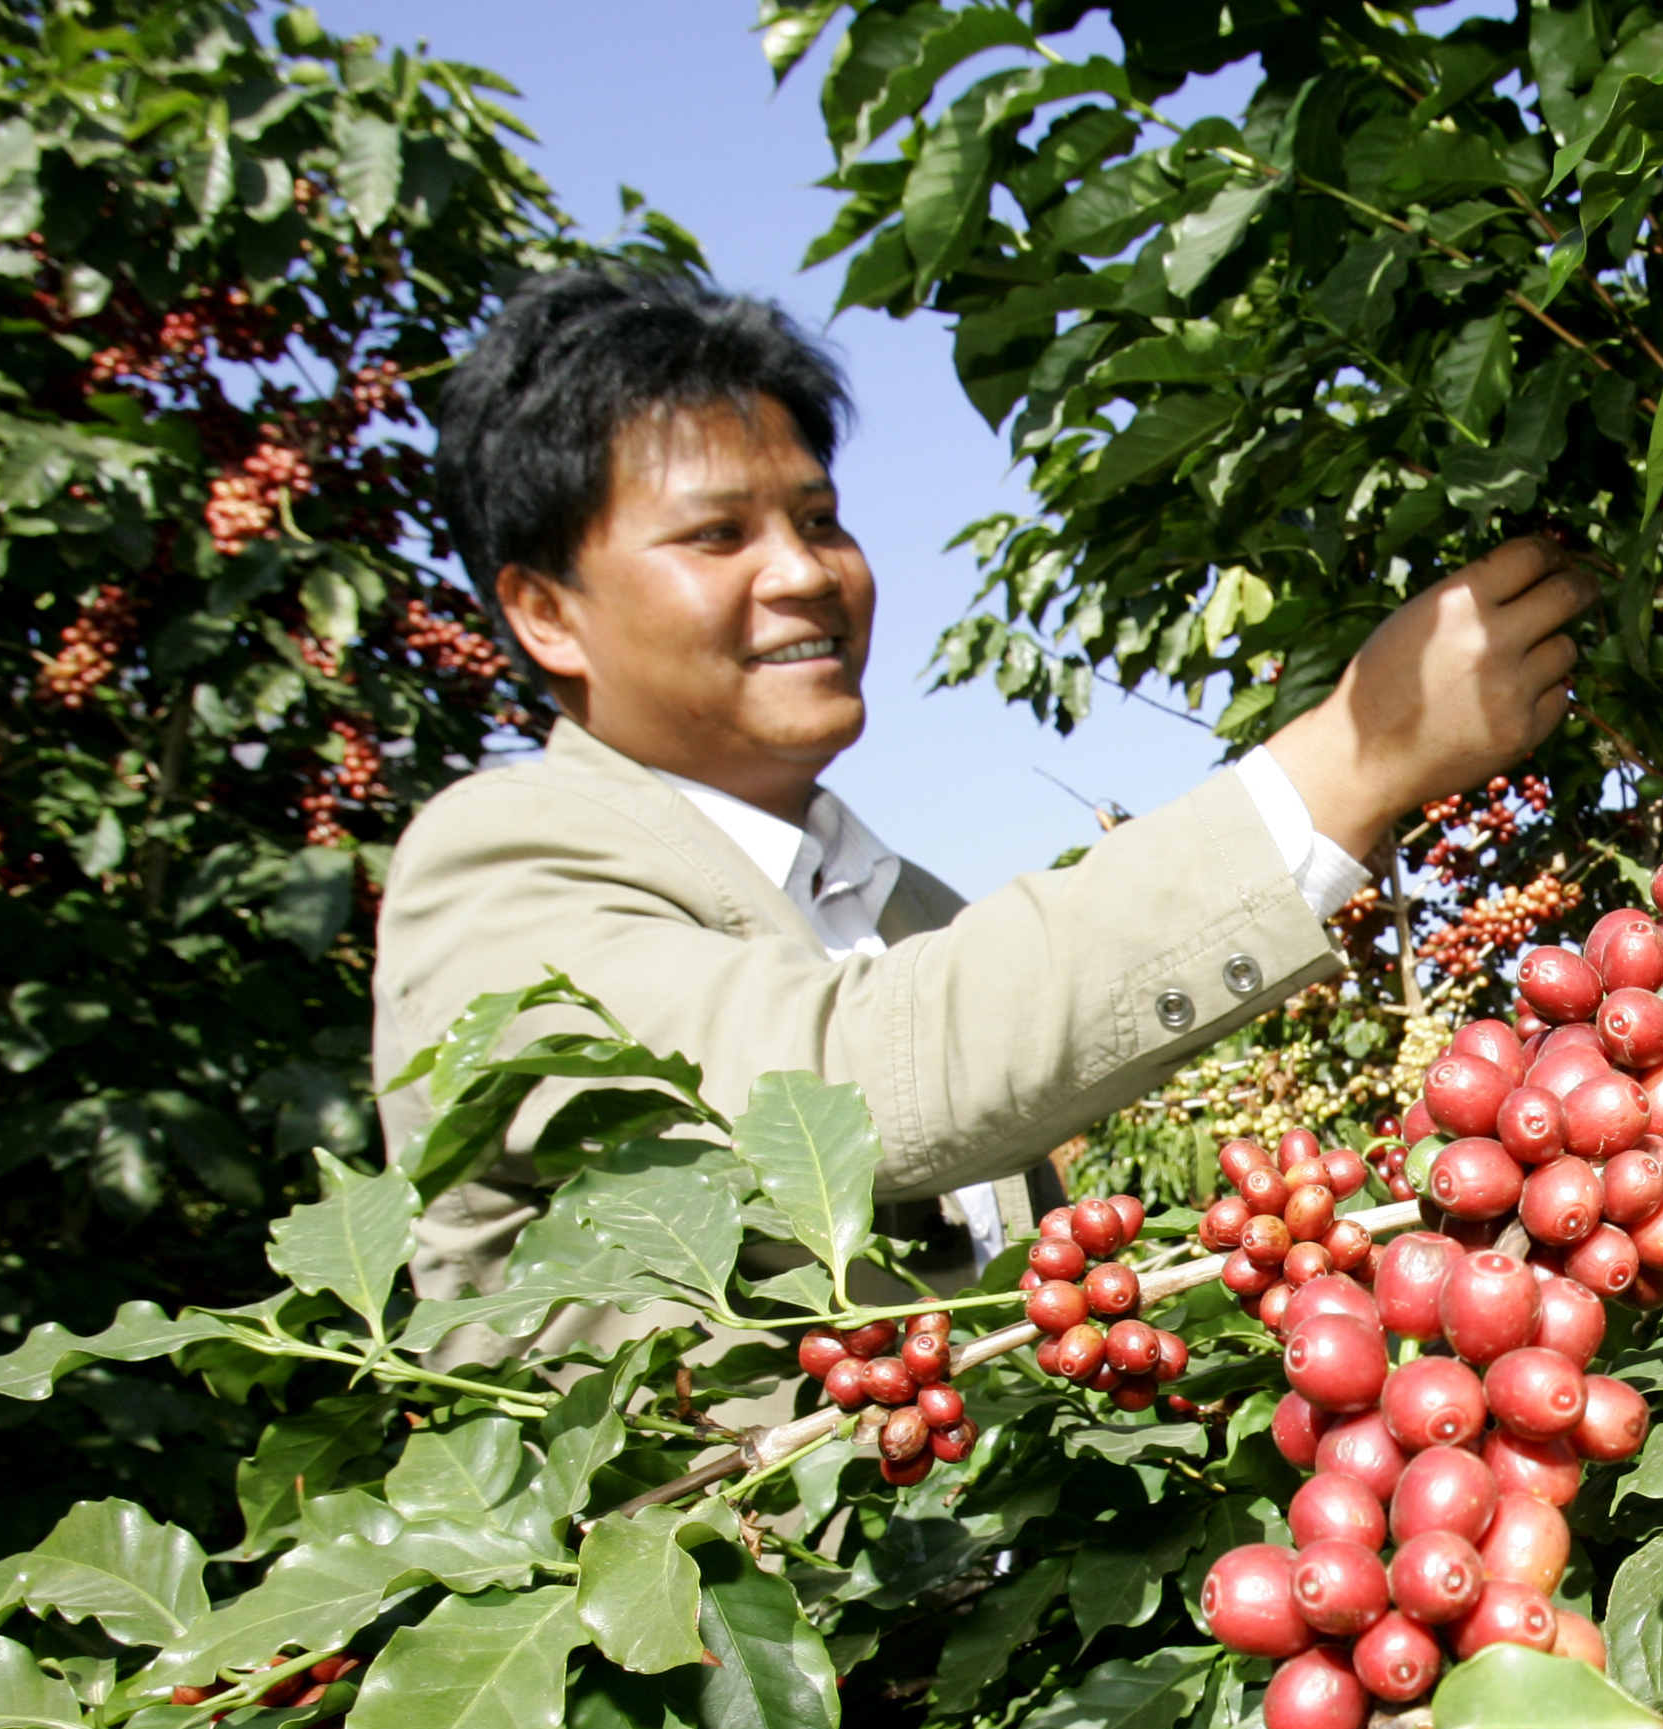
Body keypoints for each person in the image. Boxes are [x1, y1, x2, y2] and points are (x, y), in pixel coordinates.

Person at [373, 269, 1591, 1334]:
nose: (803, 573)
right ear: (545, 612)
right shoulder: (494, 867)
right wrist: (1348, 761)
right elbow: (838, 1091)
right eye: (715, 535)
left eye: (817, 519)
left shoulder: (905, 905)